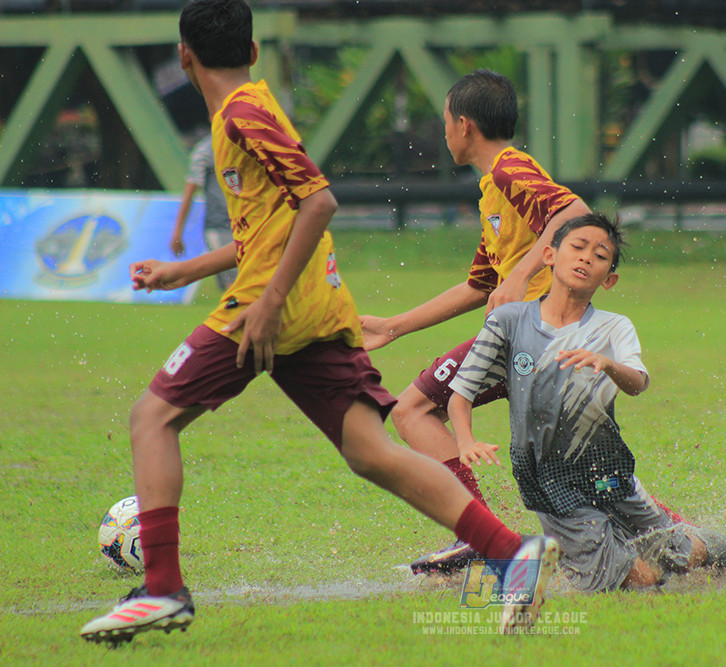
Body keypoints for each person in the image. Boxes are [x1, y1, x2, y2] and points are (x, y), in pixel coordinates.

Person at [79, 0, 557, 644]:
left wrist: (271, 301)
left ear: (184, 55)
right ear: (251, 52)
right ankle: (509, 553)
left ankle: (163, 589)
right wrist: (186, 271)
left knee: (152, 417)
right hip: (312, 307)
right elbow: (270, 224)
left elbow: (317, 200)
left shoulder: (242, 112)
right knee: (372, 452)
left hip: (270, 308)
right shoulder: (243, 113)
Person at [448, 212, 726, 593]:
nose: (585, 258)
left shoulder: (614, 327)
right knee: (639, 582)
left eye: (599, 256)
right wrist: (465, 441)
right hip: (546, 479)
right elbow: (461, 392)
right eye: (577, 247)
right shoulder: (507, 320)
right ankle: (583, 554)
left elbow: (639, 382)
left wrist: (608, 364)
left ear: (609, 279)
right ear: (549, 255)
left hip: (606, 465)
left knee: (680, 554)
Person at [360, 69, 595, 573]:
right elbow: (478, 286)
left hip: (534, 334)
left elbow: (575, 211)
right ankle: (694, 537)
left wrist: (525, 274)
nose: (444, 132)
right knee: (582, 477)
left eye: (445, 121)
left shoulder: (510, 169)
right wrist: (394, 326)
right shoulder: (494, 190)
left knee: (412, 410)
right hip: (535, 338)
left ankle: (482, 535)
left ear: (463, 125)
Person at [169, 132, 237, 291]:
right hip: (220, 226)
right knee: (234, 287)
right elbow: (189, 192)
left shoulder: (246, 143)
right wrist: (177, 232)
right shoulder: (205, 150)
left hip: (247, 224)